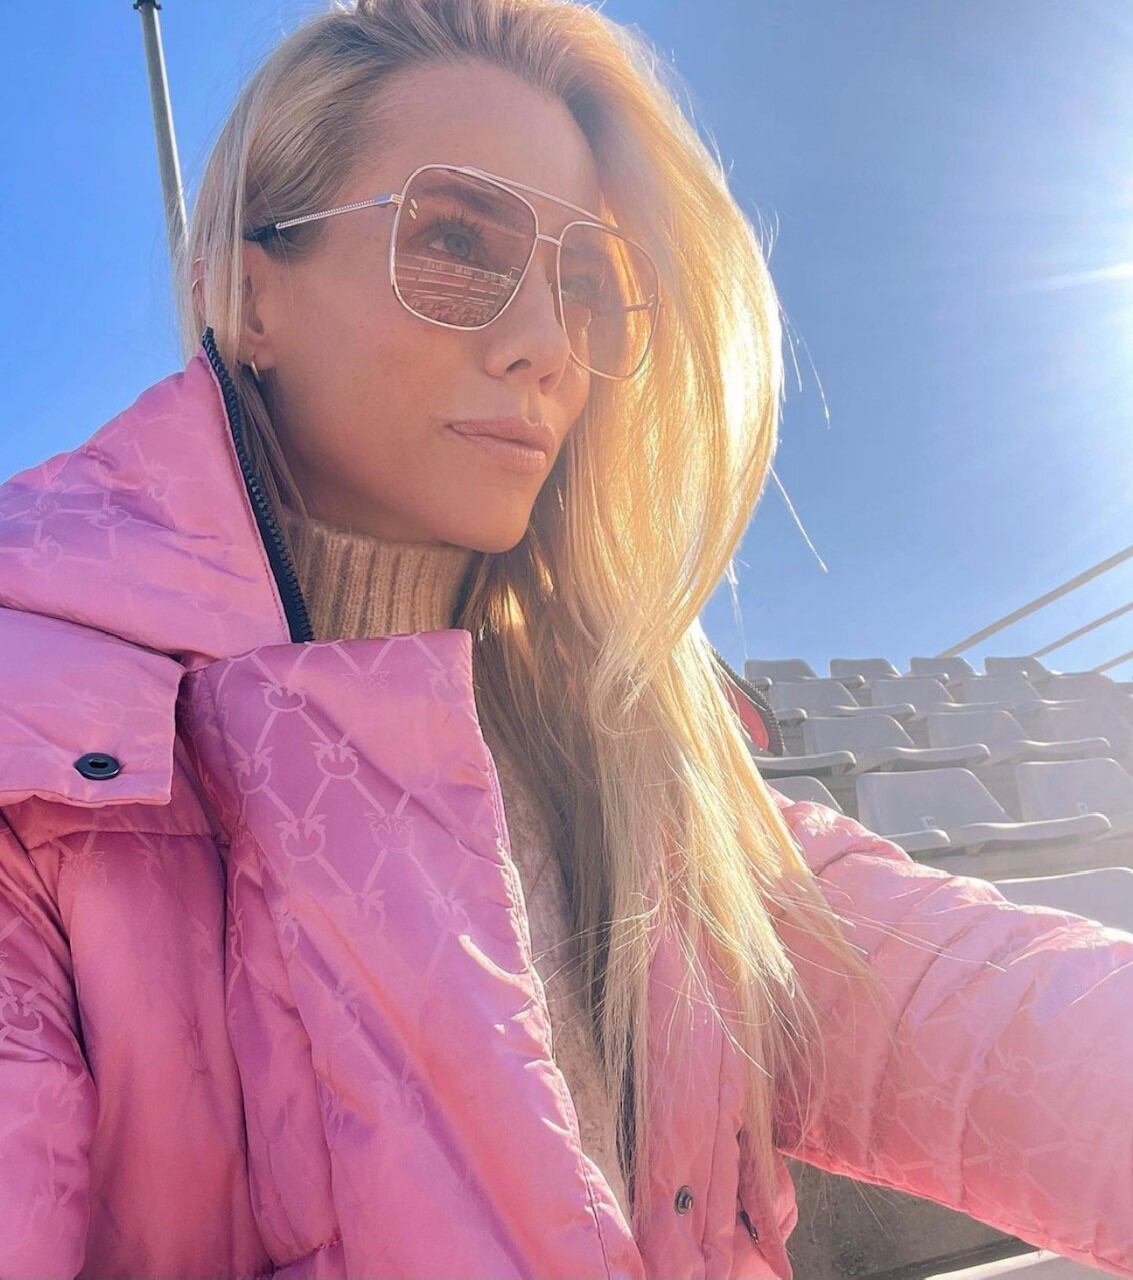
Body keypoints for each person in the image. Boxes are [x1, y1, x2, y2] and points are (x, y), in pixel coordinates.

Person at [0, 1, 1129, 1277]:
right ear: (252, 292)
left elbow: (996, 1017)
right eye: (453, 239)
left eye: (582, 285)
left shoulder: (641, 779)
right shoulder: (36, 769)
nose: (544, 345)